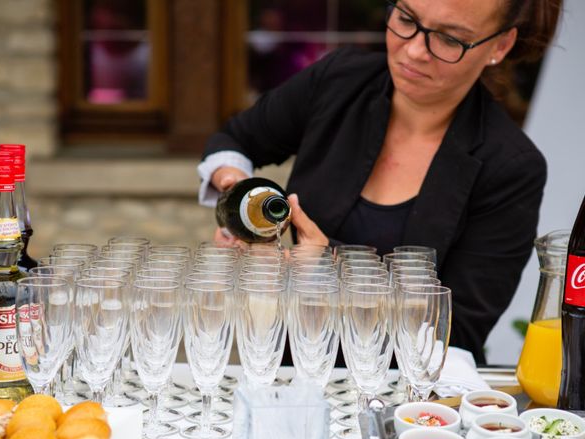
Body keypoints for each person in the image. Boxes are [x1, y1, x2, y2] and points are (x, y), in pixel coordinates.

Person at [197, 0, 563, 363]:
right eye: (406, 19)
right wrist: (236, 195)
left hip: (411, 397)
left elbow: (459, 331)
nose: (416, 50)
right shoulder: (339, 82)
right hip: (297, 367)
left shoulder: (509, 165)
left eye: (450, 39)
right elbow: (235, 139)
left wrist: (329, 274)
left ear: (500, 45)